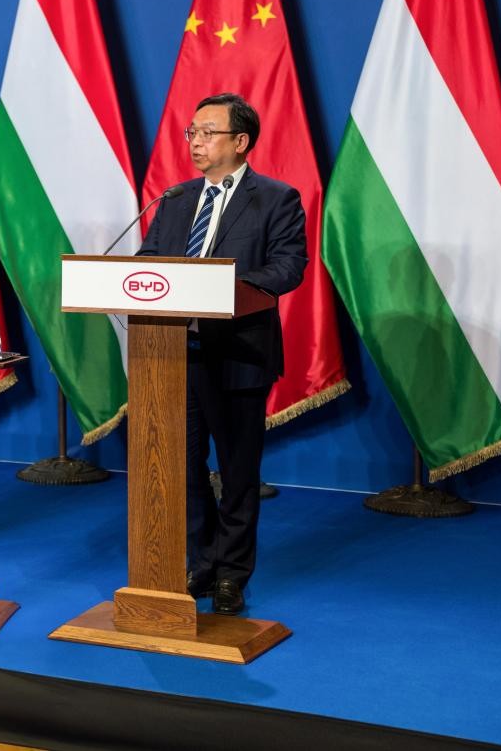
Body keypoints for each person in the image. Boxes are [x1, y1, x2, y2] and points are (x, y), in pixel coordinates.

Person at [138, 92, 307, 615]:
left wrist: (223, 289)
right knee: (184, 469)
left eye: (207, 132)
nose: (195, 141)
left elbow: (288, 266)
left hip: (237, 354)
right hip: (174, 355)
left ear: (241, 141)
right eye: (191, 132)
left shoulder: (276, 198)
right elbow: (147, 260)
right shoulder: (173, 199)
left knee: (236, 472)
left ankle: (234, 573)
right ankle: (203, 562)